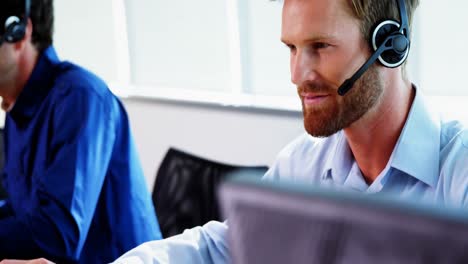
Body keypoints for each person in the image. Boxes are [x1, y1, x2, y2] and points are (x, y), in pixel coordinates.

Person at [8, 0, 468, 263]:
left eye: (320, 47)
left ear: (390, 45)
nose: (297, 74)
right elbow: (222, 249)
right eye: (291, 48)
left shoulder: (458, 175)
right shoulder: (303, 163)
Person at [0, 0, 162, 263]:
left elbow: (57, 234)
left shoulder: (81, 98)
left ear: (18, 33)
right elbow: (24, 209)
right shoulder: (17, 109)